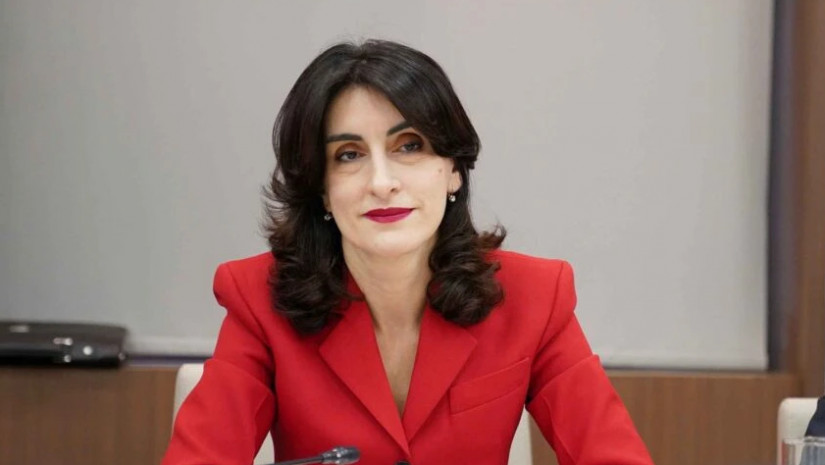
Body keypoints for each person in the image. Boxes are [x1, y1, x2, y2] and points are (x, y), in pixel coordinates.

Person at [162, 39, 653, 465]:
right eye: (349, 155)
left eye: (409, 146)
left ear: (453, 169)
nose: (382, 182)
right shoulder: (260, 300)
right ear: (322, 189)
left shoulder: (533, 297)